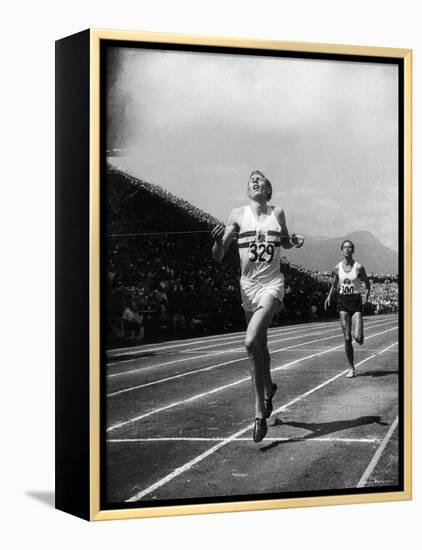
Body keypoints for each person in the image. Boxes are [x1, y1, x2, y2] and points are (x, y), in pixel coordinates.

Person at [211, 170, 304, 442]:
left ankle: (259, 412)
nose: (253, 182)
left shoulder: (279, 213)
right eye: (250, 180)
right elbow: (218, 256)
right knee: (261, 346)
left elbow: (284, 241)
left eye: (259, 179)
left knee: (251, 342)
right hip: (248, 287)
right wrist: (218, 241)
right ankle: (268, 388)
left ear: (268, 189)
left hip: (272, 285)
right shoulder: (237, 215)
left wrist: (293, 242)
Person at [324, 240, 370, 378]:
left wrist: (366, 296)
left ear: (353, 250)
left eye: (350, 247)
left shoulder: (359, 267)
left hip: (355, 302)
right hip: (343, 302)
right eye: (345, 247)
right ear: (341, 250)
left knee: (358, 337)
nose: (347, 249)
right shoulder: (337, 268)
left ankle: (360, 334)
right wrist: (328, 297)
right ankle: (351, 368)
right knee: (347, 338)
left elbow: (367, 284)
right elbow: (334, 283)